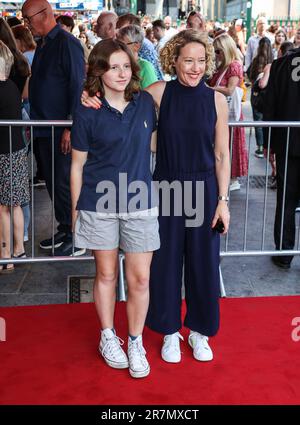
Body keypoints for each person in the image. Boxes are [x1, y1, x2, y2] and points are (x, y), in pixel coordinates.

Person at [80, 30, 230, 363]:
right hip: (166, 188)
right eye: (188, 60)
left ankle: (200, 332)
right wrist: (87, 97)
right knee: (165, 264)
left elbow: (222, 154)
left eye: (201, 61)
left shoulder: (217, 100)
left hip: (204, 190)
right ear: (173, 60)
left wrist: (223, 200)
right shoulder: (159, 92)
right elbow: (118, 96)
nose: (194, 67)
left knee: (204, 263)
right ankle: (170, 332)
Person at [72, 39, 160, 378]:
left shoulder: (146, 102)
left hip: (140, 201)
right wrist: (76, 210)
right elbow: (77, 165)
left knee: (140, 278)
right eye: (112, 67)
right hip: (98, 202)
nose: (121, 73)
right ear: (99, 71)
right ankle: (108, 335)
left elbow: (180, 83)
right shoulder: (87, 110)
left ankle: (135, 340)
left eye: (126, 66)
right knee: (106, 273)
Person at [22, 0, 86, 256]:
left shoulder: (66, 43)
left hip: (61, 128)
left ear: (45, 13)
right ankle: (65, 228)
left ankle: (76, 236)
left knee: (63, 182)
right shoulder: (44, 43)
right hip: (44, 128)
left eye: (28, 18)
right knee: (52, 182)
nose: (26, 24)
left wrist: (71, 125)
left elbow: (77, 85)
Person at [263, 43, 300, 269]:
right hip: (288, 142)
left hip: (288, 142)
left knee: (286, 199)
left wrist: (268, 143)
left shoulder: (280, 65)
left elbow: (270, 105)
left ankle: (285, 253)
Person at [0, 41, 29, 271]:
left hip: (4, 155)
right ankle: (18, 249)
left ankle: (5, 254)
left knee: (3, 208)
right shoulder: (10, 86)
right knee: (15, 205)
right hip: (16, 151)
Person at [210, 33, 248, 191]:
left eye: (218, 51)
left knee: (229, 145)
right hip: (221, 114)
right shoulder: (222, 67)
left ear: (226, 49)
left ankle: (232, 178)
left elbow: (230, 90)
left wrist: (210, 89)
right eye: (215, 51)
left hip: (230, 115)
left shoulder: (234, 65)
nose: (216, 54)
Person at [248, 37, 273, 158]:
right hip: (270, 94)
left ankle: (260, 147)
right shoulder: (274, 61)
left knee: (258, 121)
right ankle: (268, 147)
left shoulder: (256, 60)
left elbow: (250, 75)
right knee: (268, 120)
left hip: (257, 94)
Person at [116, 25, 157, 89]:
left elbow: (154, 96)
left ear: (136, 46)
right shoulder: (117, 64)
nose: (117, 48)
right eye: (116, 44)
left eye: (121, 45)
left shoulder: (145, 67)